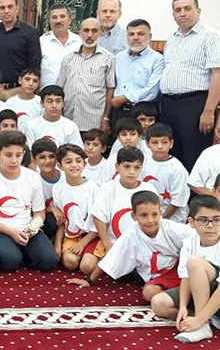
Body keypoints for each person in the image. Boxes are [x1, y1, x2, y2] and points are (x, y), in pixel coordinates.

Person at [70, 191, 193, 304]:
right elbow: (112, 257)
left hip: (179, 268)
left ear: (160, 213)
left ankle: (190, 296)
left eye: (155, 214)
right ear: (134, 216)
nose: (150, 220)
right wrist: (90, 280)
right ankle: (185, 300)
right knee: (148, 292)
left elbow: (195, 237)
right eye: (144, 215)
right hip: (159, 277)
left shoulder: (170, 228)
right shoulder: (131, 234)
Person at [0, 131, 58, 272]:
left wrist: (33, 227)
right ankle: (16, 252)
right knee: (10, 261)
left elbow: (39, 212)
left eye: (18, 155)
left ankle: (23, 252)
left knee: (48, 261)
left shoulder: (32, 177)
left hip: (26, 228)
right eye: (8, 155)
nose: (14, 160)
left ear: (24, 154)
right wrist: (11, 232)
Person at [160, 0, 220, 171]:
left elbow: (217, 75)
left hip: (194, 104)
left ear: (198, 11)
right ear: (173, 14)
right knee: (171, 156)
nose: (182, 13)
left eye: (187, 8)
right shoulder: (172, 39)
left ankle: (194, 190)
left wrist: (209, 111)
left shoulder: (210, 36)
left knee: (193, 155)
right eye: (178, 10)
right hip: (168, 104)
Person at [150, 195, 220, 343]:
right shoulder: (189, 243)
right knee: (159, 303)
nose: (210, 225)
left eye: (216, 220)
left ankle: (201, 324)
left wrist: (199, 320)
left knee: (195, 263)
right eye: (203, 220)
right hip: (202, 293)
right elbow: (186, 278)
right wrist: (182, 306)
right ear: (192, 222)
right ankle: (207, 317)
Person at [91, 147, 157, 250]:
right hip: (112, 243)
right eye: (127, 166)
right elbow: (99, 219)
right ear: (117, 167)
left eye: (137, 167)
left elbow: (155, 220)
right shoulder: (107, 188)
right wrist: (107, 245)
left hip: (142, 244)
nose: (132, 172)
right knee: (87, 261)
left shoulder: (149, 189)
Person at [57, 18, 115, 132]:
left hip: (93, 122)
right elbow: (59, 87)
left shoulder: (108, 59)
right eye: (86, 30)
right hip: (68, 120)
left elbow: (110, 90)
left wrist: (106, 118)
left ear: (100, 33)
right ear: (80, 33)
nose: (89, 35)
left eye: (94, 31)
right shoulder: (69, 58)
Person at [51, 144, 100, 272]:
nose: (74, 165)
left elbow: (99, 222)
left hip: (93, 235)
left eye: (78, 161)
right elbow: (62, 222)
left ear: (84, 163)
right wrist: (57, 244)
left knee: (87, 267)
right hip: (72, 235)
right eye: (68, 162)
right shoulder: (58, 189)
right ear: (59, 166)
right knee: (70, 262)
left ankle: (96, 256)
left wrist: (82, 244)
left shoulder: (93, 188)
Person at [111, 19, 164, 126]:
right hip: (119, 112)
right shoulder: (119, 58)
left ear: (150, 37)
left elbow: (152, 90)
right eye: (131, 34)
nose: (135, 37)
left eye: (140, 34)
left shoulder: (157, 59)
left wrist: (125, 98)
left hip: (144, 115)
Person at [0, 0, 41, 99]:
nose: (6, 11)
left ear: (17, 8)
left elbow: (34, 64)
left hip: (19, 90)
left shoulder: (30, 32)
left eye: (10, 7)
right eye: (2, 8)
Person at [142, 123, 190, 223]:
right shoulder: (143, 163)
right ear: (147, 144)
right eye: (155, 143)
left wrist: (160, 219)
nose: (160, 147)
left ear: (171, 143)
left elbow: (177, 202)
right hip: (148, 218)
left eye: (164, 142)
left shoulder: (177, 169)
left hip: (172, 220)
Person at [39, 4, 80, 88]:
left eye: (62, 16)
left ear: (70, 19)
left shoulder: (79, 42)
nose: (58, 21)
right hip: (47, 93)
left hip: (74, 93)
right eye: (54, 17)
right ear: (49, 21)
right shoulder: (41, 42)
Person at [32, 138, 61, 240]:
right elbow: (32, 210)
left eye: (52, 156)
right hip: (49, 220)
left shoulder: (66, 176)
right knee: (51, 220)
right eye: (42, 157)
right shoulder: (33, 181)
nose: (48, 161)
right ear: (34, 159)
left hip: (69, 217)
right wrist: (51, 208)